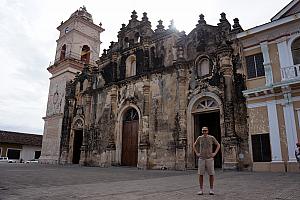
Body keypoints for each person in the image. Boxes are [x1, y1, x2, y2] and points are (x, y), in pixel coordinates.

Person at [193, 126, 220, 195]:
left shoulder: (211, 138)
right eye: (203, 131)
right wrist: (197, 153)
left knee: (211, 174)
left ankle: (211, 189)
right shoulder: (199, 138)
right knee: (200, 174)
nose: (204, 132)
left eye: (205, 130)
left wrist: (214, 153)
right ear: (202, 131)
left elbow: (218, 145)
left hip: (209, 158)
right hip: (201, 158)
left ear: (208, 131)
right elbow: (194, 145)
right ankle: (201, 190)